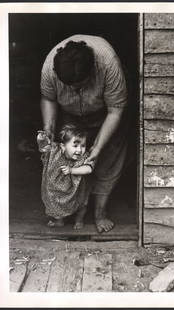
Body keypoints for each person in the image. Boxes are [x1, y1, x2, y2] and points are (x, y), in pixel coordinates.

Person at [40, 35, 128, 232]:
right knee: (66, 162)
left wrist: (96, 148)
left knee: (107, 161)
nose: (75, 89)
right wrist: (48, 129)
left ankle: (100, 213)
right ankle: (64, 212)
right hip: (69, 117)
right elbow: (48, 98)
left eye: (80, 85)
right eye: (69, 86)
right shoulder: (49, 67)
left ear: (92, 70)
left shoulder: (108, 63)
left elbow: (116, 110)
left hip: (105, 114)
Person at [37, 124, 94, 229]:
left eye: (83, 145)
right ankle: (59, 221)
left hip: (78, 189)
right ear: (63, 146)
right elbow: (44, 148)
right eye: (75, 145)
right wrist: (42, 140)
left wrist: (72, 170)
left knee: (82, 204)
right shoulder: (55, 151)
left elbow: (88, 169)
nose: (79, 150)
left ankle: (79, 220)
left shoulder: (84, 156)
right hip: (56, 187)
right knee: (55, 203)